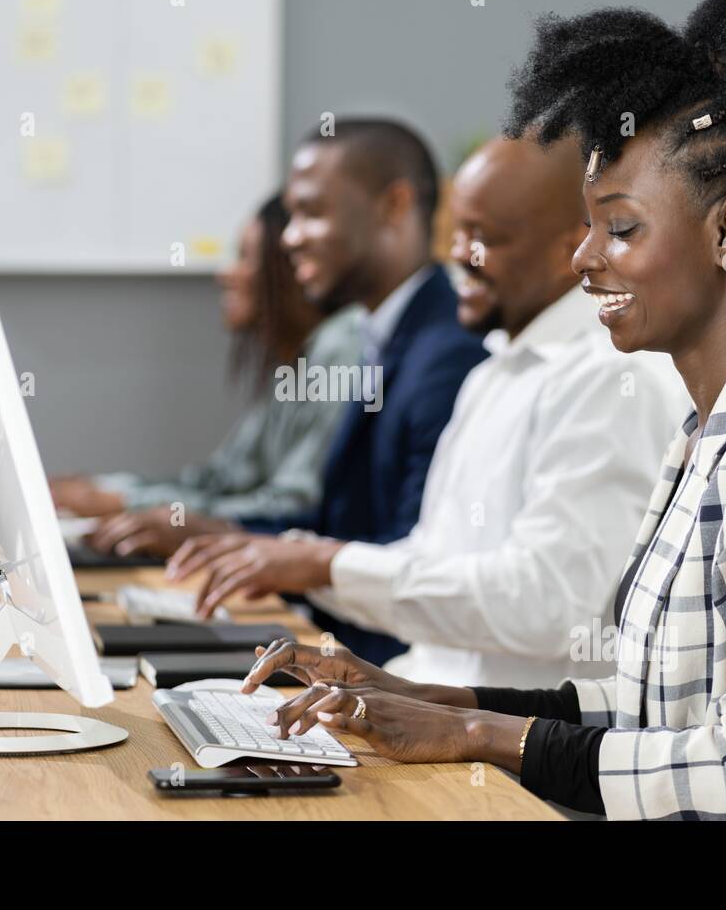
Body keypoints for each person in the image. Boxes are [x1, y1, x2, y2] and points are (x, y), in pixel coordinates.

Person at [240, 0, 726, 820]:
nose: (583, 258)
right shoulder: (711, 430)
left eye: (620, 227)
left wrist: (481, 740)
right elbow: (667, 713)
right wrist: (431, 701)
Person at [168, 136, 685, 689]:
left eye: (486, 237)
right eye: (457, 232)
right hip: (436, 713)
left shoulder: (607, 379)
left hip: (509, 758)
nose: (459, 254)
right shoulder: (493, 371)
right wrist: (359, 668)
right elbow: (437, 566)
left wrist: (328, 565)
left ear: (573, 248)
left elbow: (546, 605)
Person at [177, 118, 490, 665]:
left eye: (311, 212)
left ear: (393, 207)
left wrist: (294, 559)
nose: (290, 237)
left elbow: (415, 561)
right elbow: (341, 525)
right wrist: (237, 539)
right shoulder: (380, 336)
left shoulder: (447, 354)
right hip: (339, 651)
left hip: (391, 673)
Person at [50, 193, 360, 555]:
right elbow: (221, 479)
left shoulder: (339, 349)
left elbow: (294, 506)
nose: (225, 273)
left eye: (245, 257)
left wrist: (130, 504)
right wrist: (109, 492)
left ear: (293, 266)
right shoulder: (296, 365)